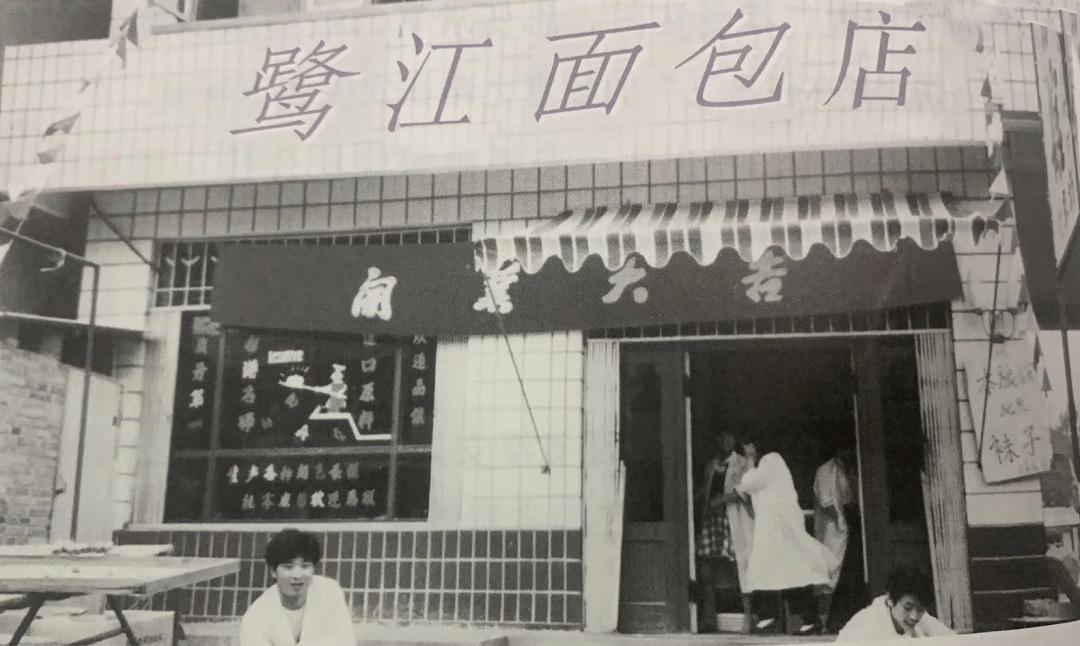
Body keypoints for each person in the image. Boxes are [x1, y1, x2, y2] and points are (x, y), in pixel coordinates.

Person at [723, 434, 838, 634]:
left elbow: (749, 483)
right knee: (771, 572)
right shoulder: (767, 465)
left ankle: (806, 620)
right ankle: (770, 618)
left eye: (748, 447)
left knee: (791, 573)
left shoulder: (772, 460)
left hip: (782, 530)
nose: (747, 451)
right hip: (773, 531)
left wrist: (750, 460)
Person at [240, 528, 356, 646]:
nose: (297, 575)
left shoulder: (329, 591)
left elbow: (346, 640)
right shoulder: (256, 617)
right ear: (273, 571)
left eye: (305, 566)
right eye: (288, 567)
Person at [694, 430, 754, 633]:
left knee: (739, 565)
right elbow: (705, 489)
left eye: (728, 436)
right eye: (720, 436)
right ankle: (709, 618)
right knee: (706, 564)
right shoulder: (712, 464)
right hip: (712, 518)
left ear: (734, 439)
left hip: (732, 518)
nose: (724, 440)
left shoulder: (743, 463)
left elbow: (746, 491)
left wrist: (722, 500)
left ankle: (748, 618)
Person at [813, 441, 865, 632]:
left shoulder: (852, 469)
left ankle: (848, 618)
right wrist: (840, 523)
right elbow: (827, 502)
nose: (848, 452)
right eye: (845, 449)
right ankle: (825, 620)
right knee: (830, 571)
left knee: (850, 572)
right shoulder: (826, 470)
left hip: (852, 522)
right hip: (834, 525)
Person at [836, 566, 954, 641]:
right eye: (907, 608)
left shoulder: (918, 616)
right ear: (890, 600)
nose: (914, 616)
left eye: (920, 610)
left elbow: (952, 639)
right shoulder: (866, 630)